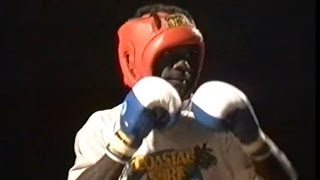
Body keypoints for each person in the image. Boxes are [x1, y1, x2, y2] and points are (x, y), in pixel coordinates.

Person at [68, 3, 297, 180]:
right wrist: (125, 140)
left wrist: (254, 140)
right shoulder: (102, 127)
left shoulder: (222, 122)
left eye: (190, 56)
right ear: (133, 61)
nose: (183, 65)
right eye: (171, 56)